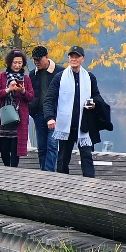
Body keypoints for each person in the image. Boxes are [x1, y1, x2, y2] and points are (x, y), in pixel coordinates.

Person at [45, 46, 104, 178]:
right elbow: (49, 100)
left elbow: (97, 96)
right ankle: (62, 185)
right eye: (71, 56)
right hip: (66, 125)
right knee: (62, 159)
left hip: (84, 124)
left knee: (87, 156)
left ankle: (90, 185)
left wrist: (94, 103)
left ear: (82, 59)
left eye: (77, 56)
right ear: (68, 58)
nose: (74, 59)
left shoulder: (89, 78)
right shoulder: (59, 78)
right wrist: (50, 117)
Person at [0, 49, 34, 168]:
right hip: (3, 117)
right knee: (4, 148)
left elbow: (30, 97)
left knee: (16, 148)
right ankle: (6, 168)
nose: (17, 65)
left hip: (19, 118)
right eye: (15, 62)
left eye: (20, 63)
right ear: (10, 63)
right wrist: (8, 90)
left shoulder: (26, 79)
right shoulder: (2, 77)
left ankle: (13, 171)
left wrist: (23, 91)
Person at [28, 46, 58, 171]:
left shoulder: (60, 72)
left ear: (47, 57)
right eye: (34, 60)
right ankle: (43, 171)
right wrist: (32, 110)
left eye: (39, 59)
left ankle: (49, 172)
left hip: (55, 115)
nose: (36, 62)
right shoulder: (32, 74)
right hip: (39, 115)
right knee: (41, 147)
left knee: (52, 145)